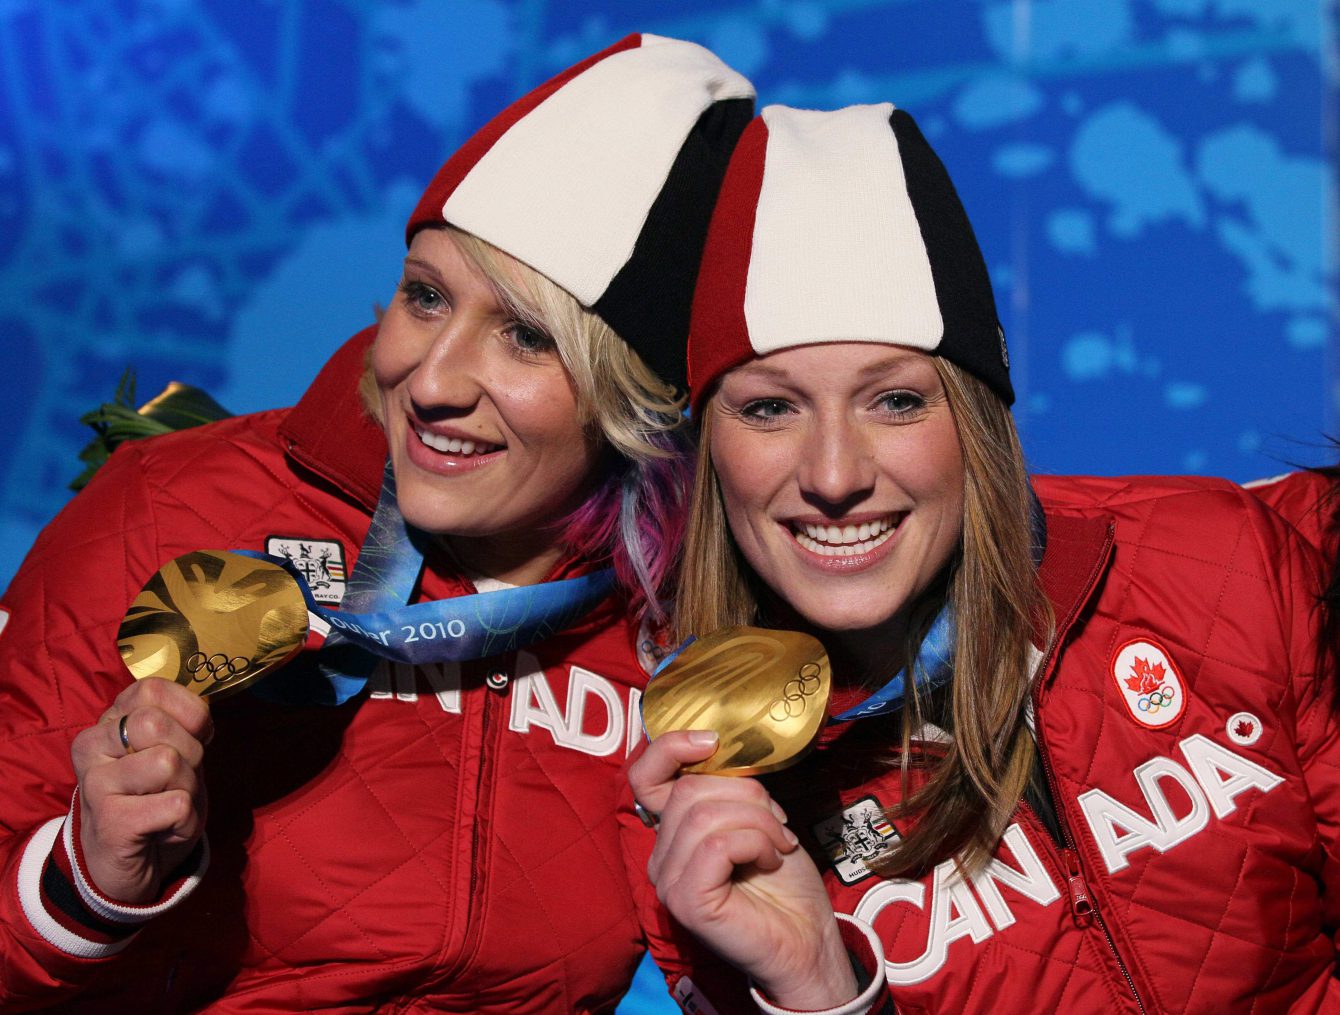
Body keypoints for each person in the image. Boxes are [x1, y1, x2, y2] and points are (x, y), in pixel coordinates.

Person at [0, 35, 754, 1012]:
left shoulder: (690, 614)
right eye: (425, 296)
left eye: (526, 336)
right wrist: (88, 880)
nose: (431, 380)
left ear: (638, 402)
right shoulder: (174, 507)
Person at [625, 104, 1336, 1014]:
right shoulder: (696, 790)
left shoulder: (1216, 560)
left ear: (978, 420)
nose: (834, 474)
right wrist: (818, 989)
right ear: (707, 450)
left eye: (895, 401)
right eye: (770, 409)